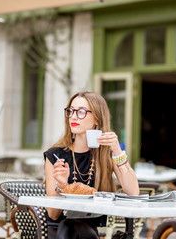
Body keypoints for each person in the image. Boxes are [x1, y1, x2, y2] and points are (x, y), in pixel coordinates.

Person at [44, 91, 140, 239]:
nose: (74, 116)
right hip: (56, 231)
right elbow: (53, 214)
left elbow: (133, 191)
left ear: (97, 118)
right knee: (68, 226)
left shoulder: (106, 153)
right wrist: (61, 185)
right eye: (71, 111)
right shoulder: (56, 155)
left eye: (81, 111)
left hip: (87, 231)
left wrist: (117, 151)